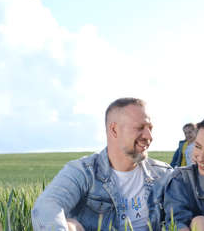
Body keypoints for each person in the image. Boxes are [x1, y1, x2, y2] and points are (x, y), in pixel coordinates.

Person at [31, 98, 172, 231]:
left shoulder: (163, 175)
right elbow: (47, 206)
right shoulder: (84, 172)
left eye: (150, 128)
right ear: (114, 130)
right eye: (140, 128)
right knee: (70, 226)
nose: (149, 136)